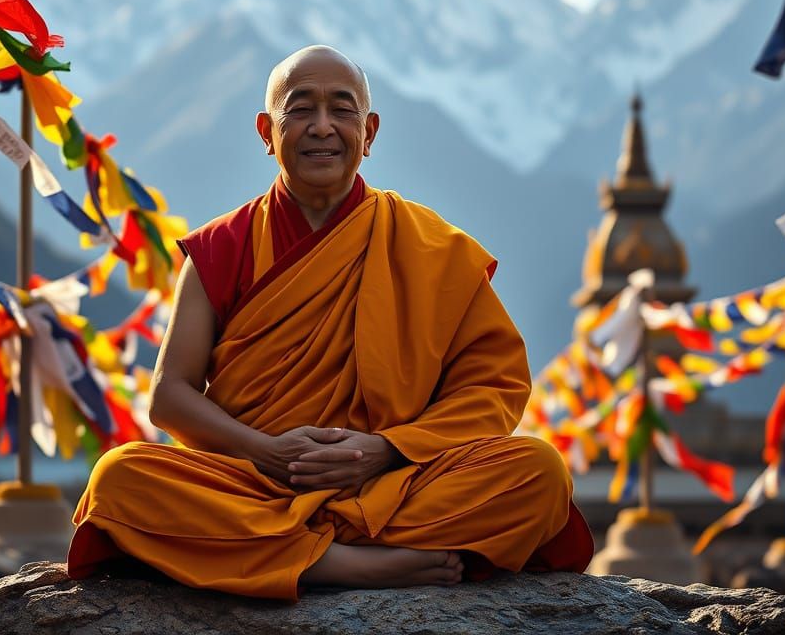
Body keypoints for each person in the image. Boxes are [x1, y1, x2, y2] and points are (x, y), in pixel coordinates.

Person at [67, 45, 593, 599]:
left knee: (538, 471)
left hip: (393, 483)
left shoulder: (430, 246)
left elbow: (494, 387)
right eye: (300, 110)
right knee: (120, 479)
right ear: (267, 131)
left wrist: (386, 449)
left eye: (341, 110)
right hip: (256, 483)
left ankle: (281, 553)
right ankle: (351, 563)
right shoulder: (222, 247)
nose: (322, 127)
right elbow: (170, 395)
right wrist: (266, 452)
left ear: (369, 131)